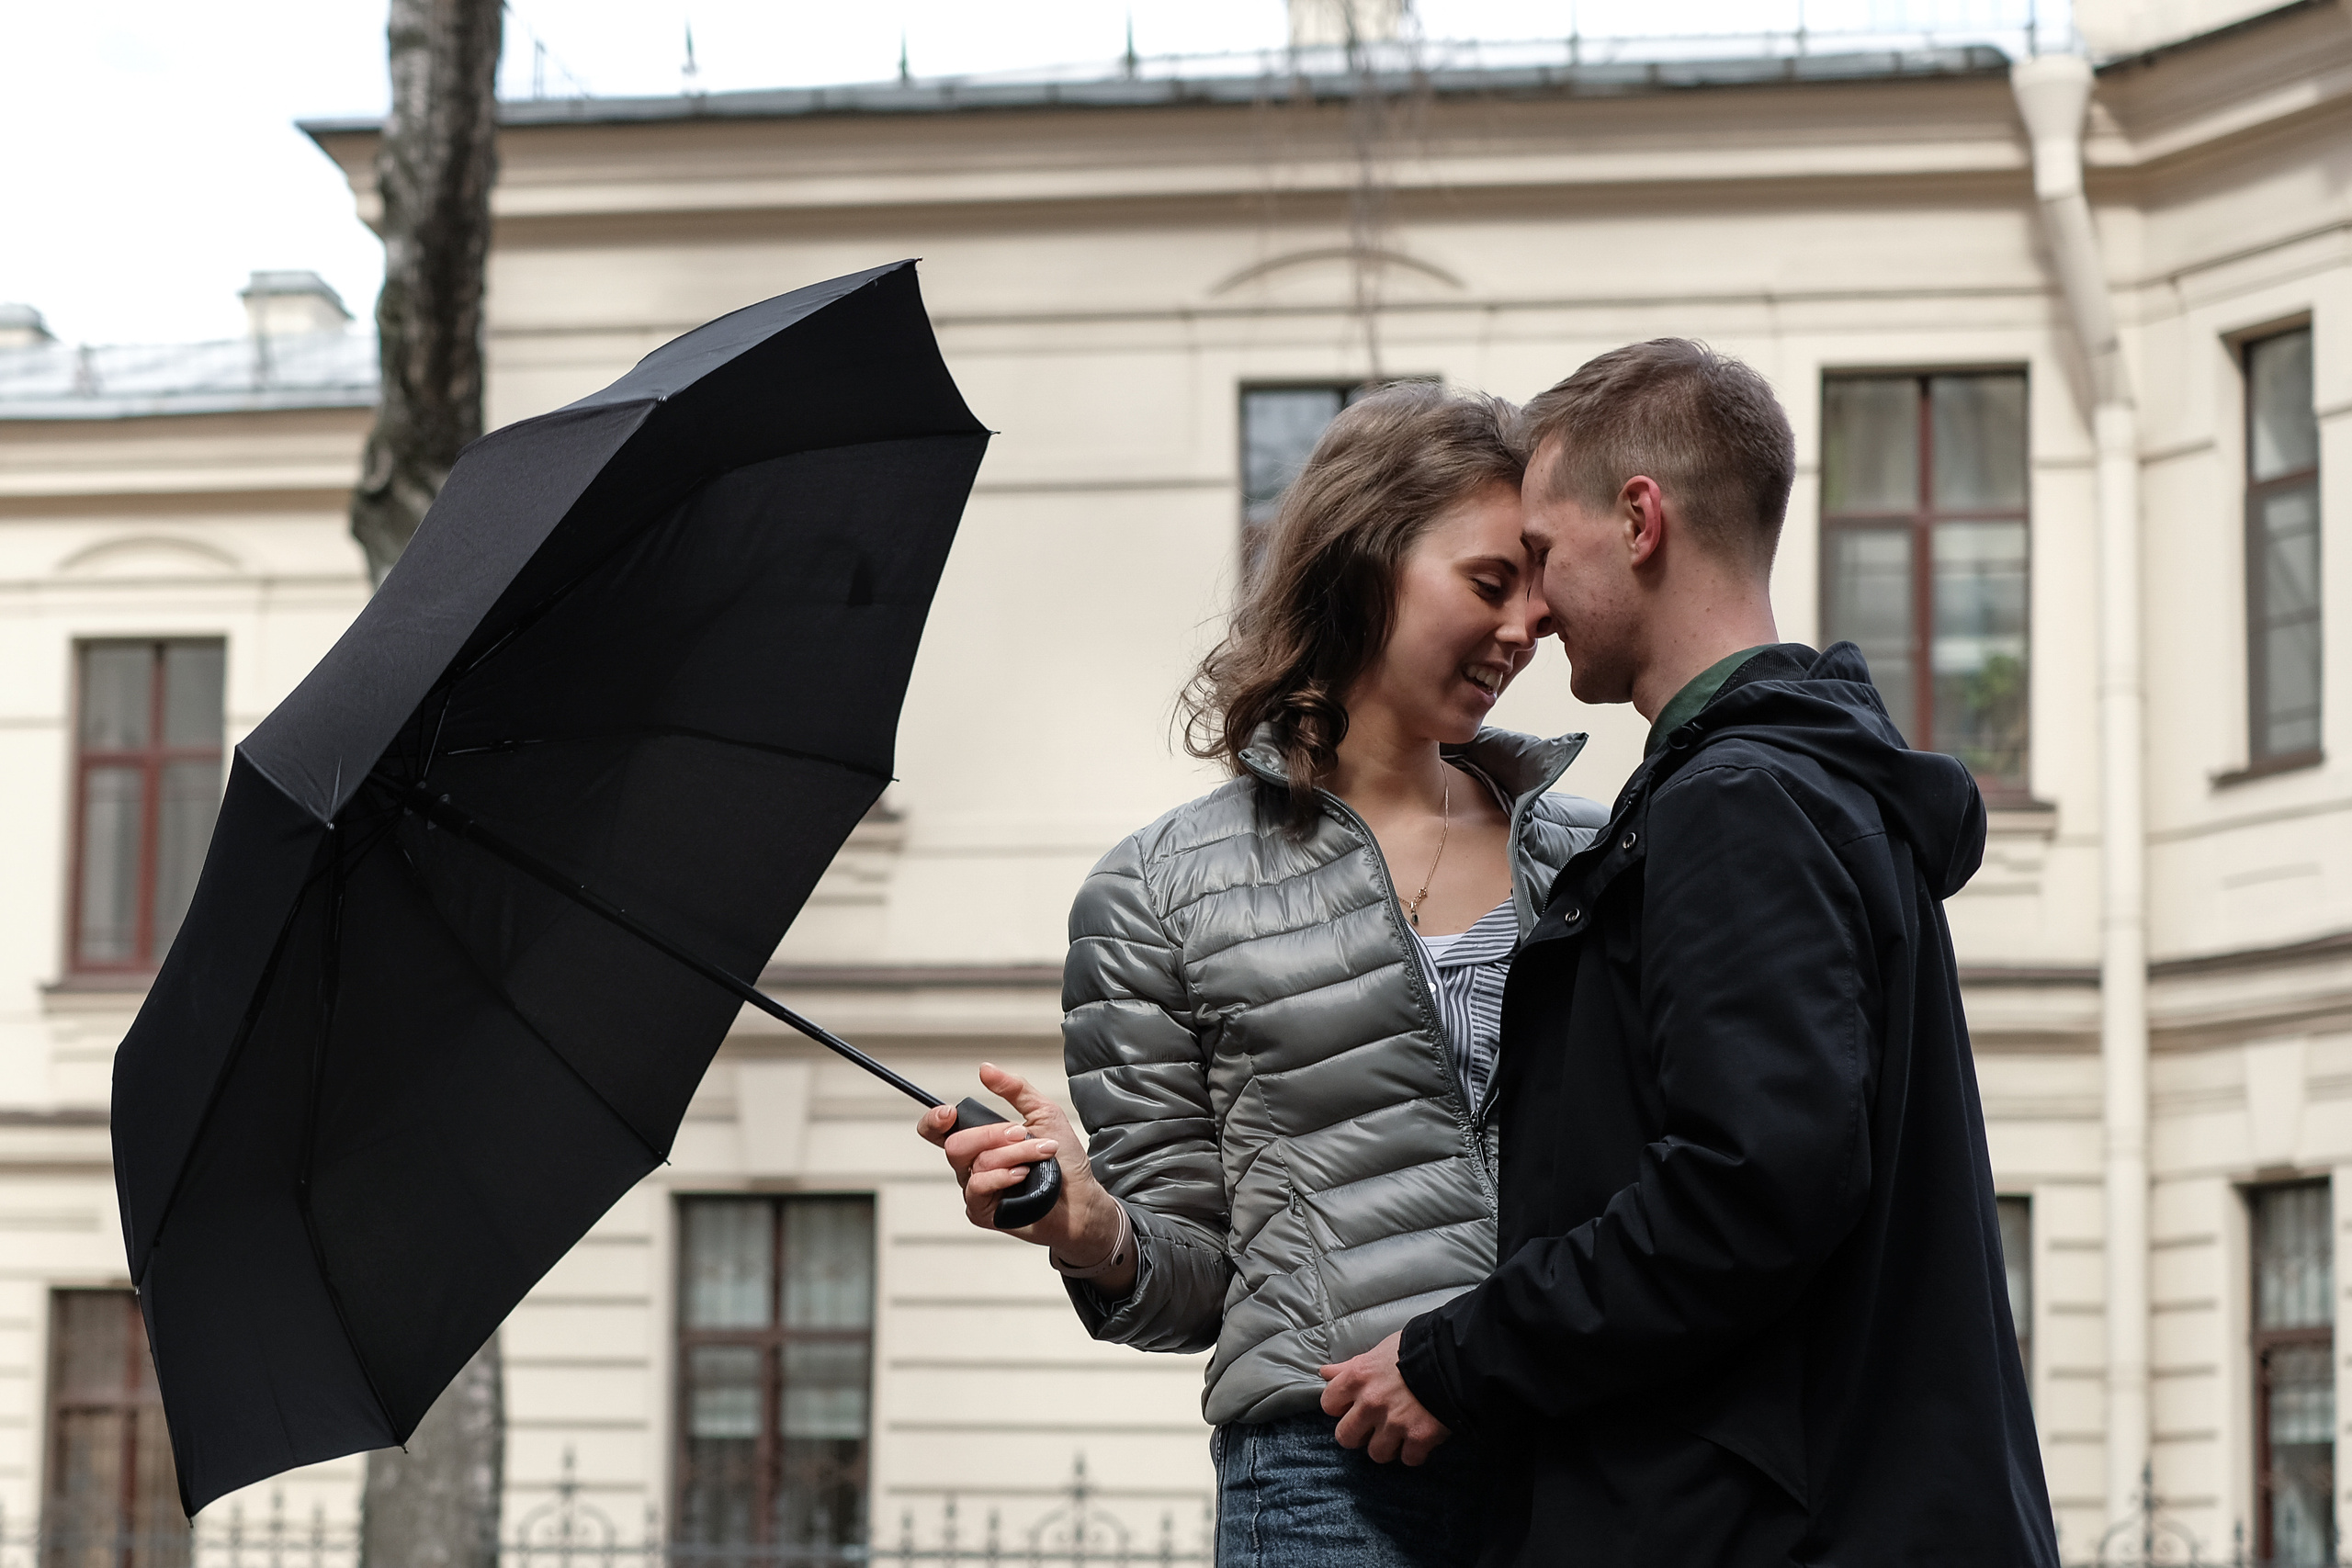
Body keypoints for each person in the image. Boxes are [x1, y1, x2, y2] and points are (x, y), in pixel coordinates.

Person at [1317, 341, 2060, 1566]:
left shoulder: (1739, 802)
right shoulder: (1812, 783)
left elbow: (1750, 1185)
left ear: (1641, 519)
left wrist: (1461, 1357)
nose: (1536, 608)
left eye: (1545, 556)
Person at [918, 382, 1607, 1568]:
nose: (1524, 630)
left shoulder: (1593, 855)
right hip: (1329, 1482)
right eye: (1491, 584)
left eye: (1538, 601)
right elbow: (1192, 1283)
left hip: (1588, 1461)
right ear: (1366, 557)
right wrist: (1091, 1229)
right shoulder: (1156, 895)